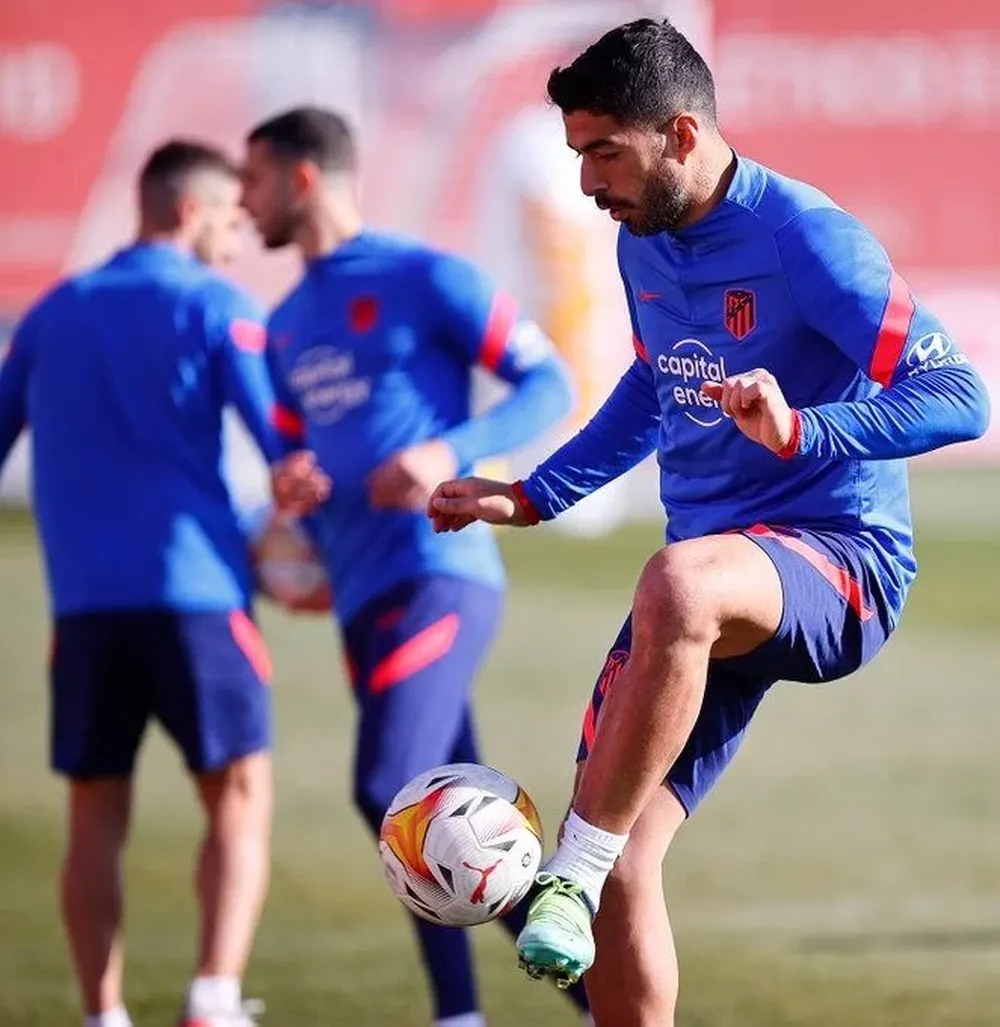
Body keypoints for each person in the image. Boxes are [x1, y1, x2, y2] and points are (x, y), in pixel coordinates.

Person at [427, 18, 992, 1026]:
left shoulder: (806, 237)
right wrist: (532, 495)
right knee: (630, 864)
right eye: (577, 156)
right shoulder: (640, 240)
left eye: (605, 153)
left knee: (673, 595)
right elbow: (653, 388)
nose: (588, 183)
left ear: (681, 135)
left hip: (839, 561)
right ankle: (591, 871)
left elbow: (960, 396)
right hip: (714, 580)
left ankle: (569, 871)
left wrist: (803, 428)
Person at [240, 107, 591, 1027]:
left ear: (303, 178)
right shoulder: (281, 329)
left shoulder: (425, 275)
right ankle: (600, 997)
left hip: (440, 574)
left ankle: (461, 1014)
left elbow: (550, 383)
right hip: (358, 594)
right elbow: (293, 465)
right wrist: (296, 504)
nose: (242, 202)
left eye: (254, 180)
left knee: (392, 789)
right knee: (455, 816)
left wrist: (450, 450)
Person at [0, 140, 328, 1027]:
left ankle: (103, 1011)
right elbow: (281, 445)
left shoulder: (49, 314)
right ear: (188, 214)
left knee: (94, 811)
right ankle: (213, 997)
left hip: (84, 608)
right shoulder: (217, 305)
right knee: (238, 792)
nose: (236, 237)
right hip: (198, 600)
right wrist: (303, 501)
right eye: (228, 219)